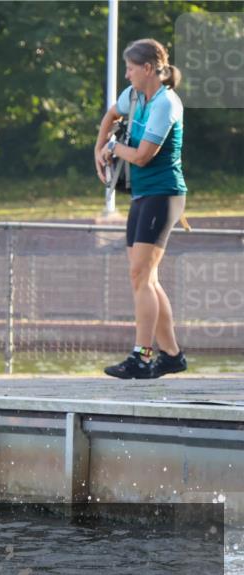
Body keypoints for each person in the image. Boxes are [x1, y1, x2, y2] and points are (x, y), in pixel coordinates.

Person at [95, 39, 188, 380]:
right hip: (142, 196)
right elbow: (111, 114)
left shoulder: (166, 103)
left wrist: (114, 147)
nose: (126, 73)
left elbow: (143, 155)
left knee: (140, 275)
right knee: (145, 277)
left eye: (131, 68)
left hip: (163, 194)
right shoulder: (134, 95)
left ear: (148, 68)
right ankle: (173, 355)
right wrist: (98, 148)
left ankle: (143, 355)